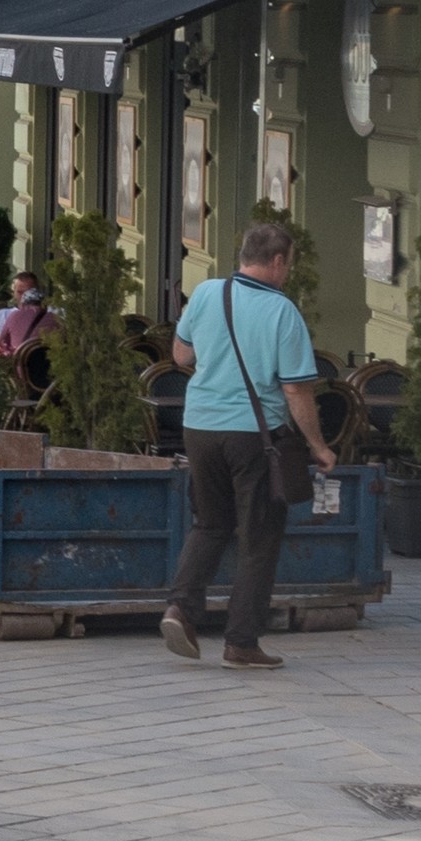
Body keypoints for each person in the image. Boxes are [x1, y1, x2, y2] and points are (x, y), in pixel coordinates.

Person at [159, 223, 337, 672]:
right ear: (278, 262)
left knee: (210, 524)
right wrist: (319, 445)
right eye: (289, 264)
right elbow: (297, 392)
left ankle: (180, 609)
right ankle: (241, 642)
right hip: (254, 438)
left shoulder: (206, 293)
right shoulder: (283, 313)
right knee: (258, 540)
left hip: (198, 427)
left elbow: (181, 356)